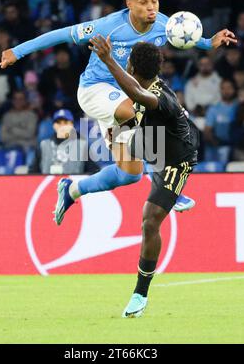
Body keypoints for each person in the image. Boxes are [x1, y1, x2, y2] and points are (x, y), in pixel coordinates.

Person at [0, 0, 237, 217]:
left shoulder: (164, 25)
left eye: (154, 1)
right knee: (143, 110)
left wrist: (209, 43)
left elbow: (185, 38)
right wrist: (17, 52)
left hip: (125, 96)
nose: (151, 7)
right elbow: (61, 34)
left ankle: (72, 190)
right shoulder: (108, 26)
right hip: (95, 90)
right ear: (129, 4)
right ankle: (168, 186)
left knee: (129, 173)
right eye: (143, 2)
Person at [88, 36, 200, 317]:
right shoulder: (143, 85)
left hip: (178, 160)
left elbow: (139, 97)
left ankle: (140, 293)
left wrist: (107, 60)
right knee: (124, 141)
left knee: (150, 221)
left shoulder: (157, 97)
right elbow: (133, 94)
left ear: (130, 65)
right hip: (156, 141)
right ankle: (172, 194)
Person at [29, 109, 98, 174]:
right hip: (47, 184)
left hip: (73, 185)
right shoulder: (43, 145)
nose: (62, 126)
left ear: (72, 125)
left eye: (66, 123)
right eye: (59, 123)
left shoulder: (82, 146)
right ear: (54, 126)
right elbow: (32, 172)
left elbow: (93, 170)